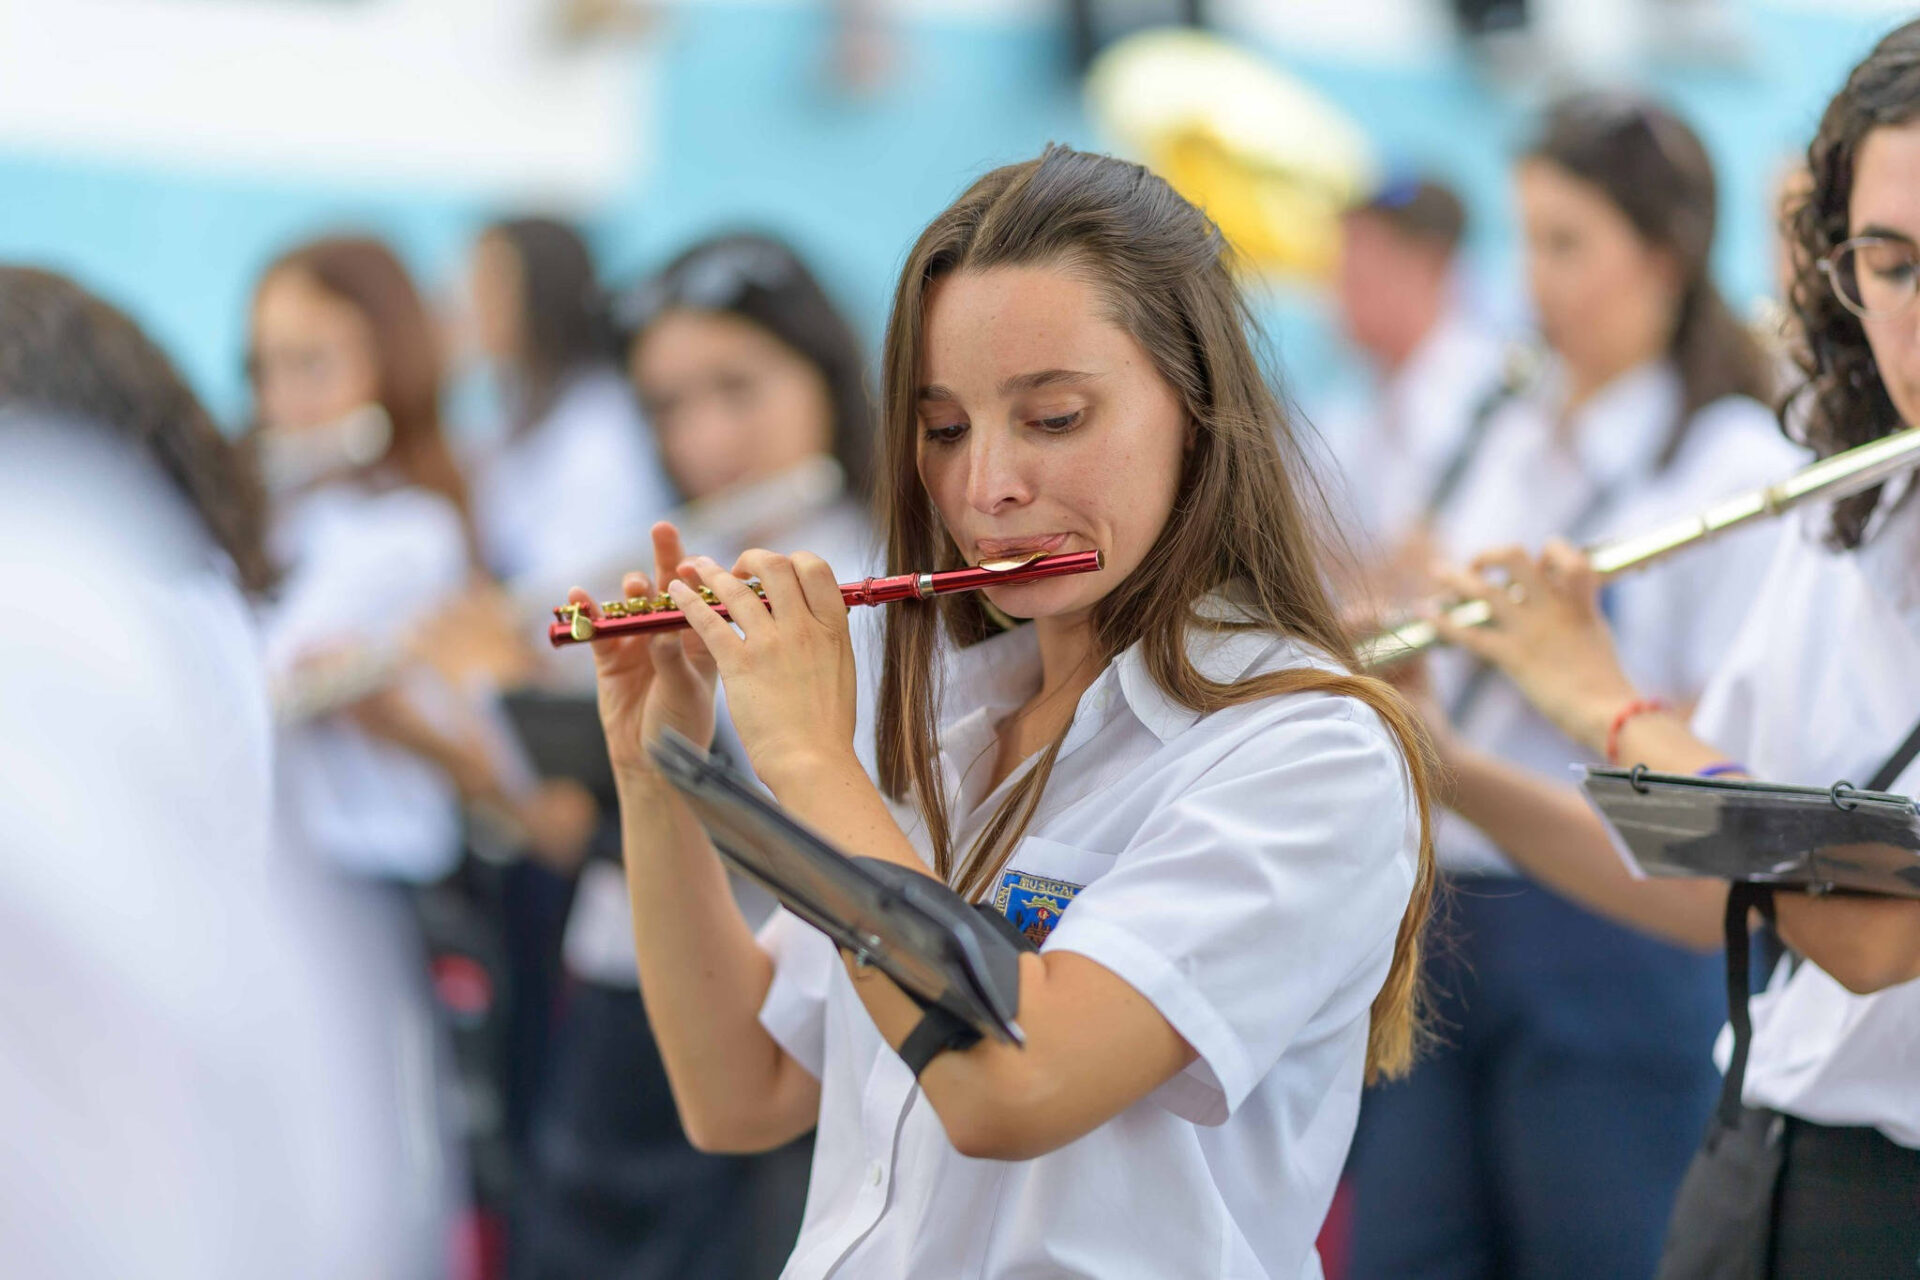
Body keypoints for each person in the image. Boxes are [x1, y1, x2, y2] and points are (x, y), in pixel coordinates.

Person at [569, 145, 1437, 1279]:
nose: (987, 488)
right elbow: (741, 1086)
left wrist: (808, 761)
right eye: (944, 430)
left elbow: (1014, 1086)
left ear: (1198, 409)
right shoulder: (950, 727)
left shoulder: (1308, 752)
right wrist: (659, 766)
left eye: (1055, 417)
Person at [1410, 25, 1920, 1276]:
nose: (1916, 325)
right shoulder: (1850, 520)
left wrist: (1600, 698)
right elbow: (1708, 883)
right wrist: (1438, 757)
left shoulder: (1740, 465)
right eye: (1892, 264)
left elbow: (1869, 924)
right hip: (1762, 1150)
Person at [1343, 94, 1808, 1280]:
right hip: (1450, 912)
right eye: (1526, 241)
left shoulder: (1734, 467)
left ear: (1663, 257)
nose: (1535, 282)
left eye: (1567, 244)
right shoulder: (1505, 429)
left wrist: (1536, 688)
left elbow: (1718, 770)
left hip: (1619, 931)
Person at [0, 265, 450, 1278]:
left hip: (339, 909)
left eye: (310, 364)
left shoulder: (144, 609)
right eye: (262, 370)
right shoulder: (189, 583)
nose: (279, 399)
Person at [513, 233, 878, 1280]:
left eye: (737, 387)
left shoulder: (876, 576)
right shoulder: (667, 553)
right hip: (624, 996)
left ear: (825, 376)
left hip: (777, 1017)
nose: (706, 436)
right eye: (669, 404)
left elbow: (850, 829)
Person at [463, 216, 674, 604]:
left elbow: (579, 583)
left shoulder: (600, 427)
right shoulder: (517, 411)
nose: (471, 304)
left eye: (491, 285)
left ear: (543, 293)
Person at [1327, 175, 1509, 592]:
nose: (1338, 284)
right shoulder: (1354, 413)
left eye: (1363, 263)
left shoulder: (1499, 399)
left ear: (1430, 266)